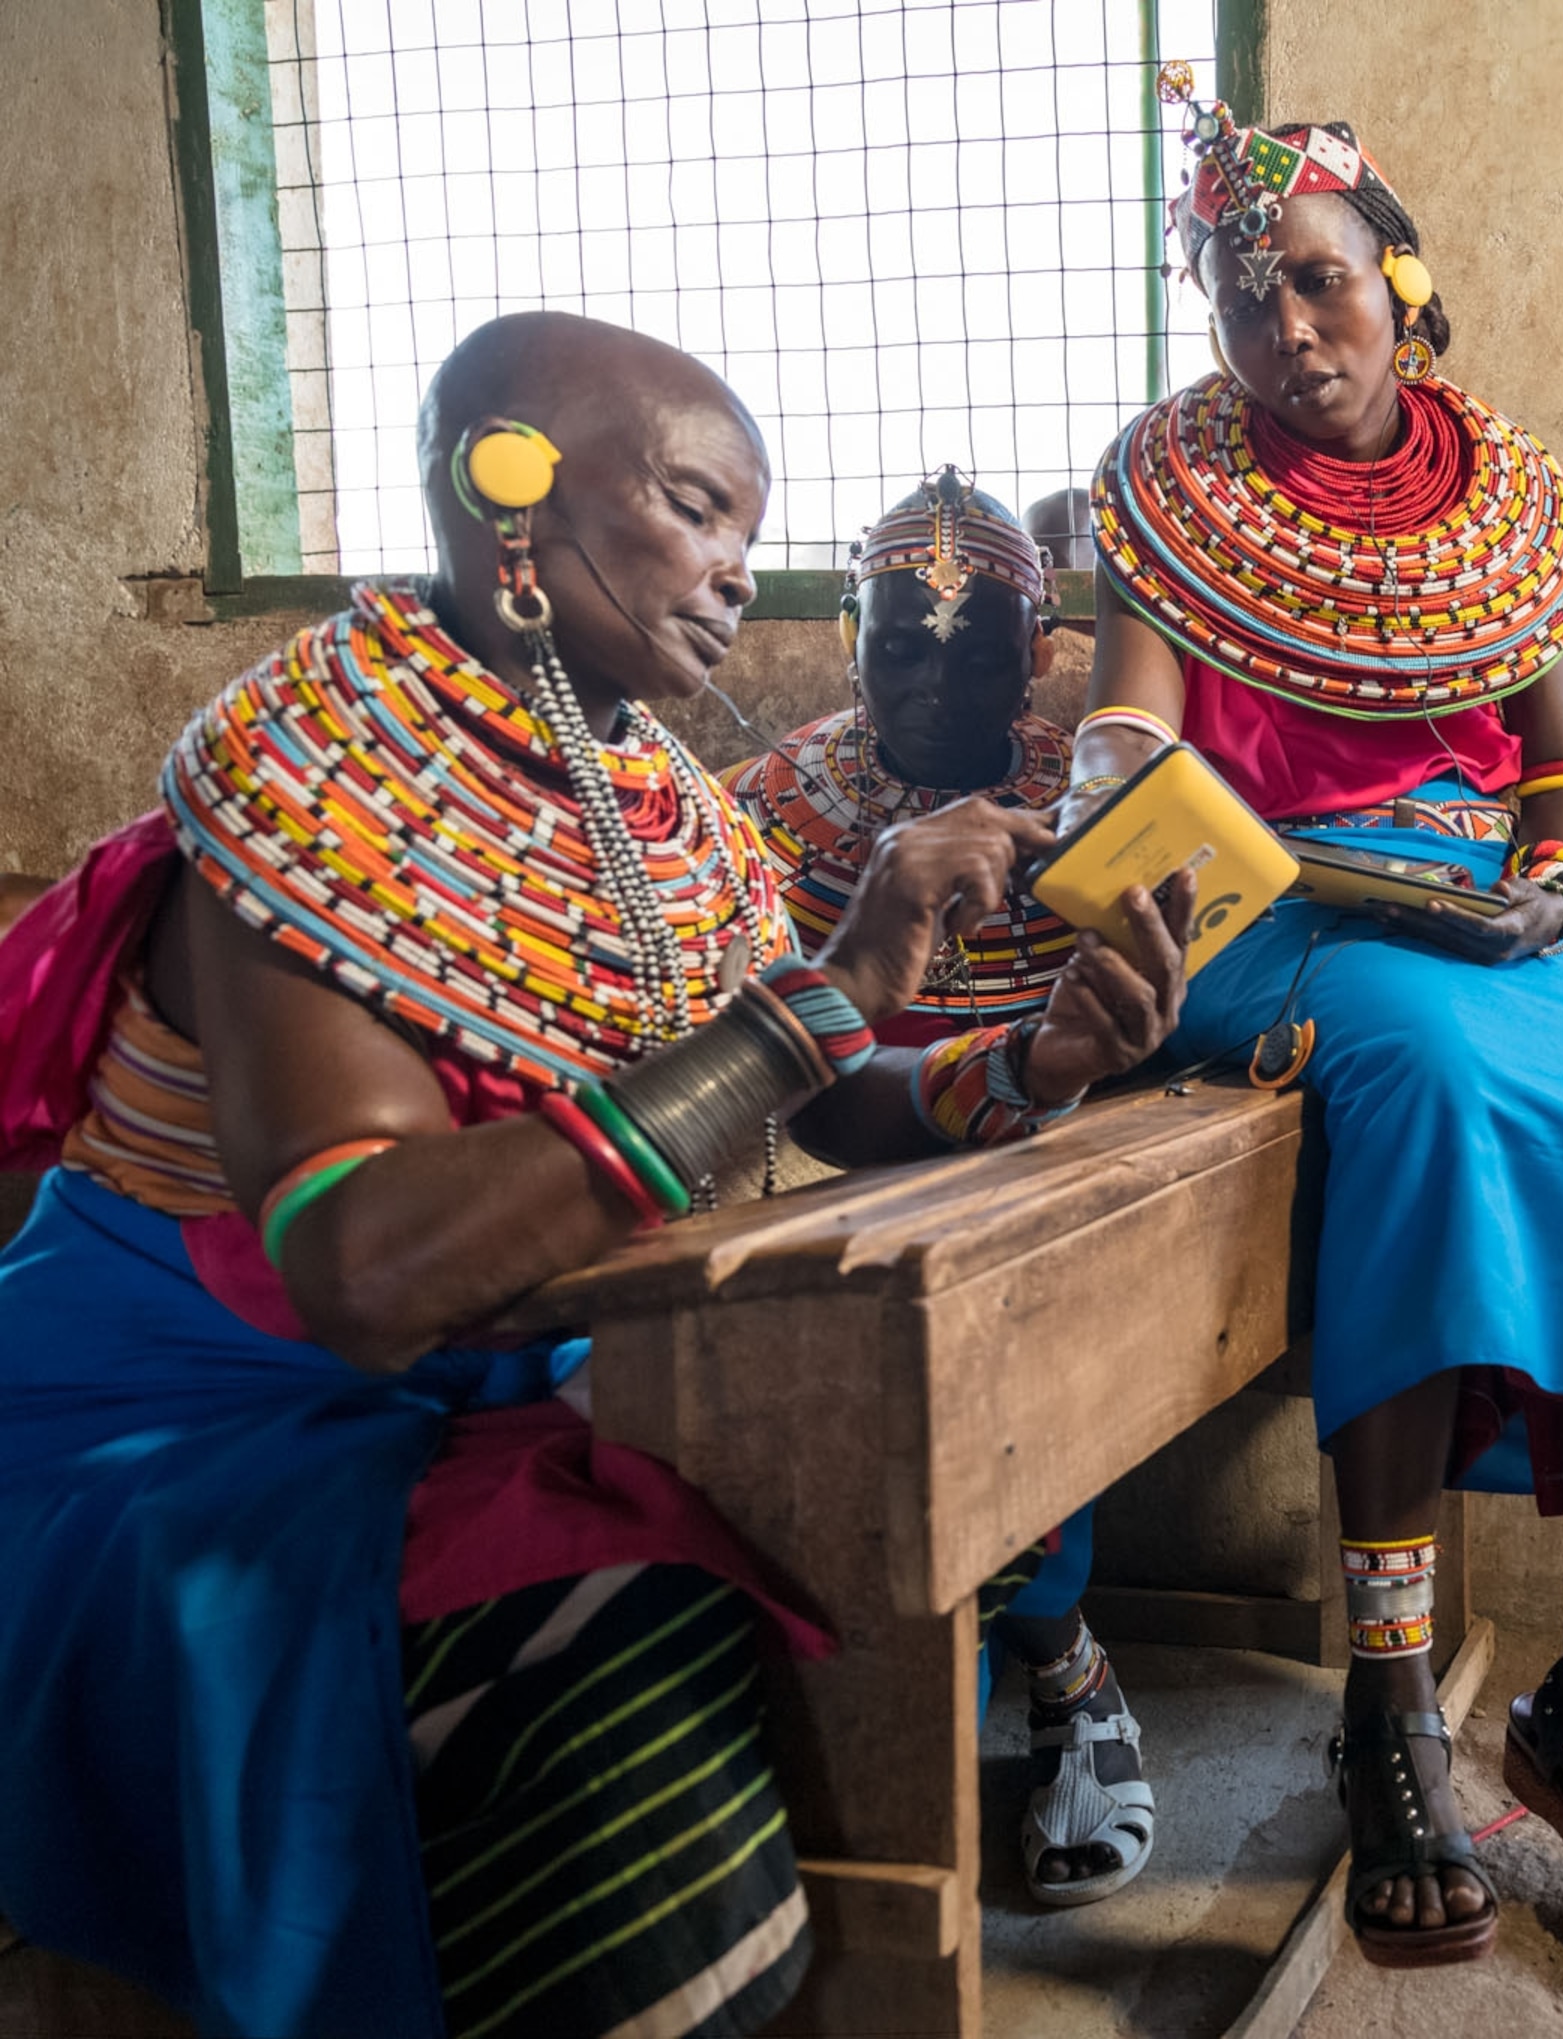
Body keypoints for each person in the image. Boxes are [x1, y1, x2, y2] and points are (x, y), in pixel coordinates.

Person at [0, 312, 1193, 2038]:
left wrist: (1026, 1062)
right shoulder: (304, 777)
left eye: (747, 534)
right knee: (620, 1649)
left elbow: (807, 1083)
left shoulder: (664, 808)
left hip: (501, 1362)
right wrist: (832, 989)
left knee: (914, 1500)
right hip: (205, 1415)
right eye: (697, 508)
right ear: (511, 490)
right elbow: (365, 1267)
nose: (732, 575)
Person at [1070, 78, 1563, 1971]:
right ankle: (1384, 1706)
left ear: (1399, 282)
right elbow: (1129, 736)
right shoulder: (1169, 487)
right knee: (1433, 1093)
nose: (1285, 329)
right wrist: (1111, 775)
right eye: (1240, 298)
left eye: (1317, 283)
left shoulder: (1507, 497)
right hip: (1262, 905)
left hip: (1490, 918)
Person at [729, 467, 1156, 1907]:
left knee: (1010, 1313)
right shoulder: (766, 806)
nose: (933, 680)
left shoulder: (1095, 801)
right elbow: (770, 1087)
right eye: (899, 643)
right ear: (848, 634)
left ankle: (1041, 1654)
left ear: (1036, 654)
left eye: (979, 650)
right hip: (821, 1176)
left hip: (1049, 1168)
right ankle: (1052, 1658)